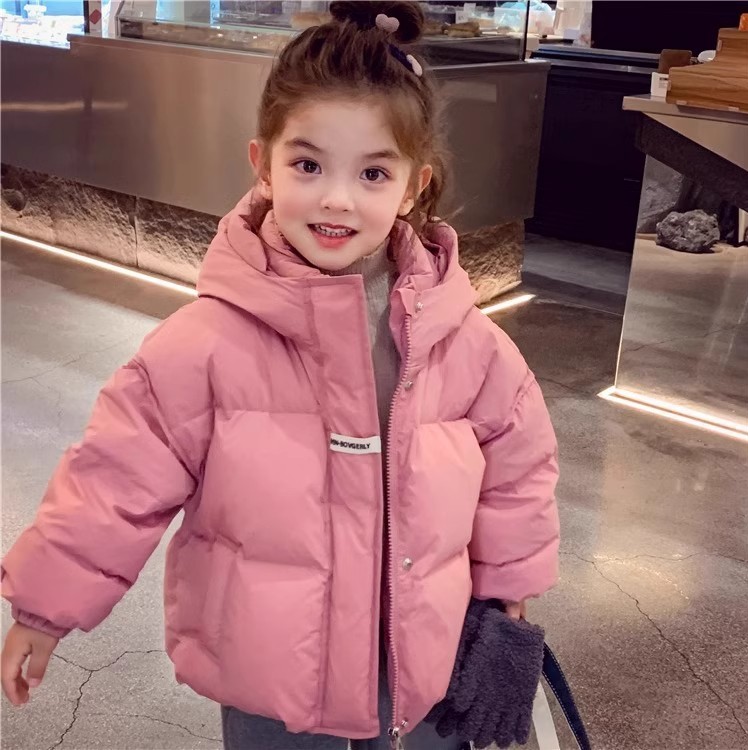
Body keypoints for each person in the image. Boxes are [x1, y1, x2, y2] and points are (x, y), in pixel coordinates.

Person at [0, 2, 560, 748]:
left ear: (413, 186)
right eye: (308, 164)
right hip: (274, 678)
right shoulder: (205, 344)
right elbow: (115, 478)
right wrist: (44, 608)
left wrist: (508, 594)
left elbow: (518, 470)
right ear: (262, 164)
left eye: (373, 172)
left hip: (426, 666)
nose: (336, 198)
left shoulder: (465, 341)